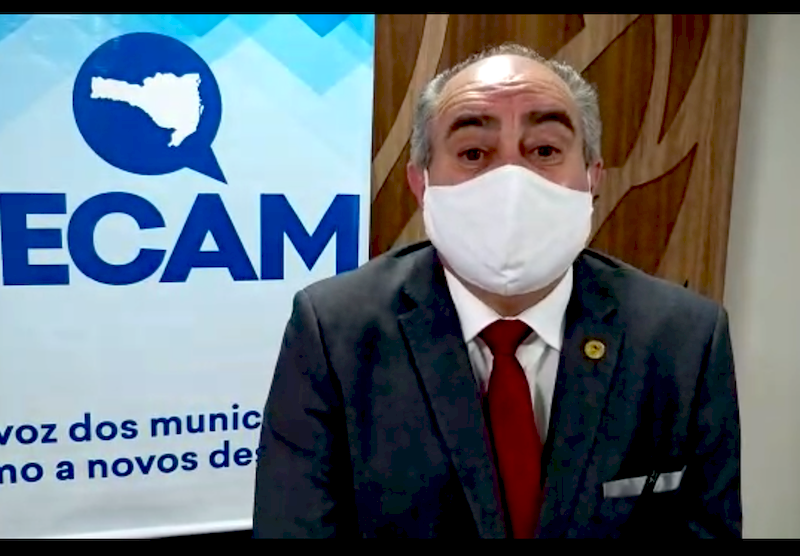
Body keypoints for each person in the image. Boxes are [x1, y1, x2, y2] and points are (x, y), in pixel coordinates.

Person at [251, 43, 742, 539]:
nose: (512, 180)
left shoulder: (684, 340)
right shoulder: (335, 333)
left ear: (593, 177)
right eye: (473, 153)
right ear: (421, 184)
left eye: (544, 151)